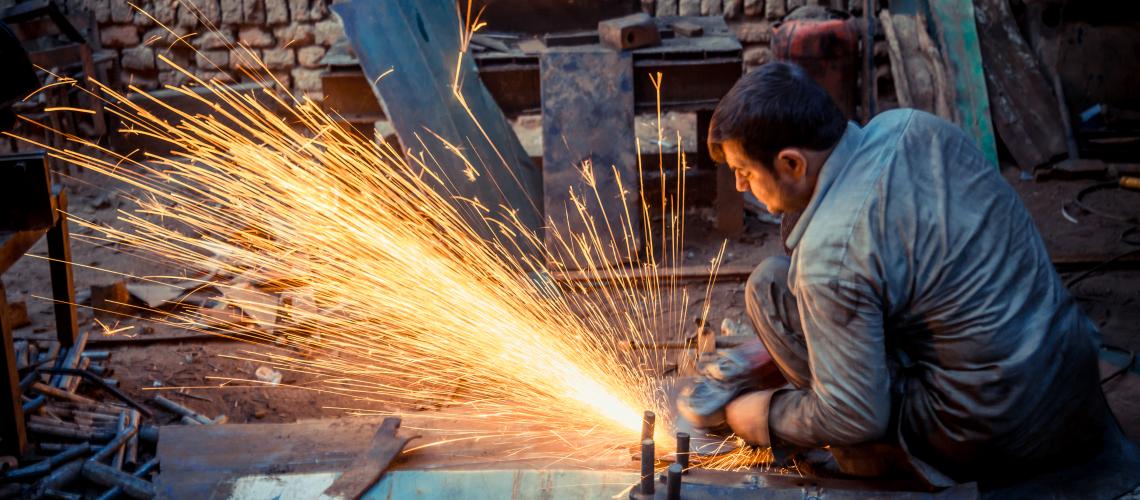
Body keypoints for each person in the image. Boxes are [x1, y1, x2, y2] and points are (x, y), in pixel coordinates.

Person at [678, 61, 1139, 494]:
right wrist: (760, 359)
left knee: (840, 405)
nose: (740, 186)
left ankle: (882, 459)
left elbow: (855, 414)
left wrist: (760, 415)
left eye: (743, 172)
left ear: (792, 164)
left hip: (990, 428)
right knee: (771, 285)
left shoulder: (830, 255)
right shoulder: (910, 125)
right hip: (1064, 368)